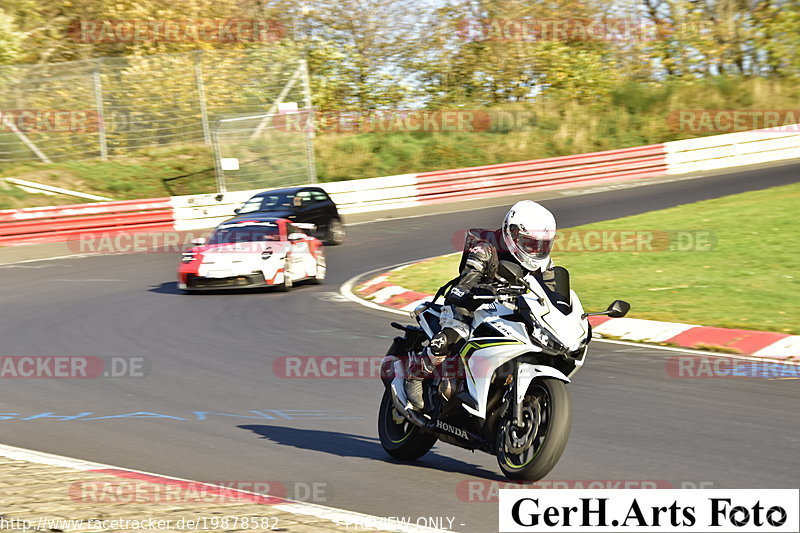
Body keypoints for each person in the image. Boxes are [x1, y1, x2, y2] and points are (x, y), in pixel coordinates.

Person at [405, 200, 559, 408]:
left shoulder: (544, 263)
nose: (537, 251)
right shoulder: (485, 249)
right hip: (471, 305)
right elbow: (464, 285)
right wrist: (483, 291)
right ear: (512, 235)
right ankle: (417, 372)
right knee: (454, 333)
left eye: (543, 245)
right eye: (530, 244)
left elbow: (551, 291)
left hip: (511, 310)